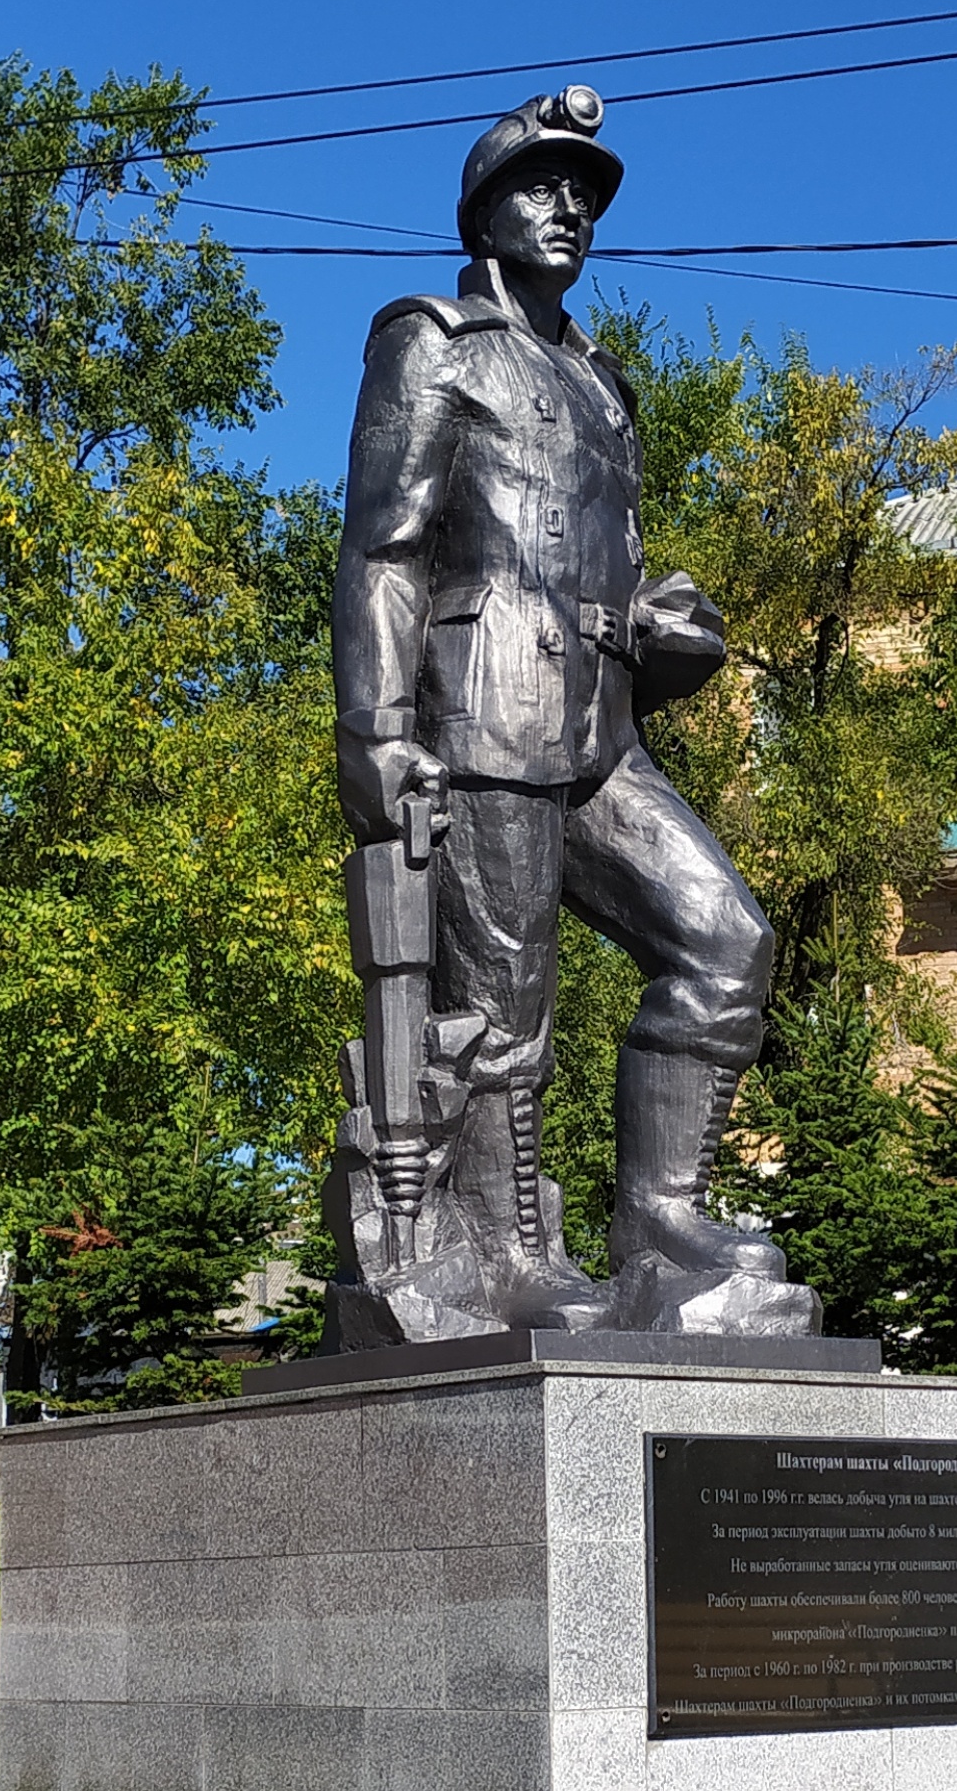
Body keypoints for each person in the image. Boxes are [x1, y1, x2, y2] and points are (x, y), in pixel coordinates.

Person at [332, 85, 781, 1320]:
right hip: (478, 720)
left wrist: (658, 621)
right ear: (485, 208)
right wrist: (374, 731)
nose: (571, 206)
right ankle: (511, 1256)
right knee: (503, 1006)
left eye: (587, 191)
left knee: (725, 942)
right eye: (545, 185)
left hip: (598, 733)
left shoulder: (599, 381)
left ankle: (666, 1224)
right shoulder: (433, 341)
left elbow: (600, 562)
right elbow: (383, 548)